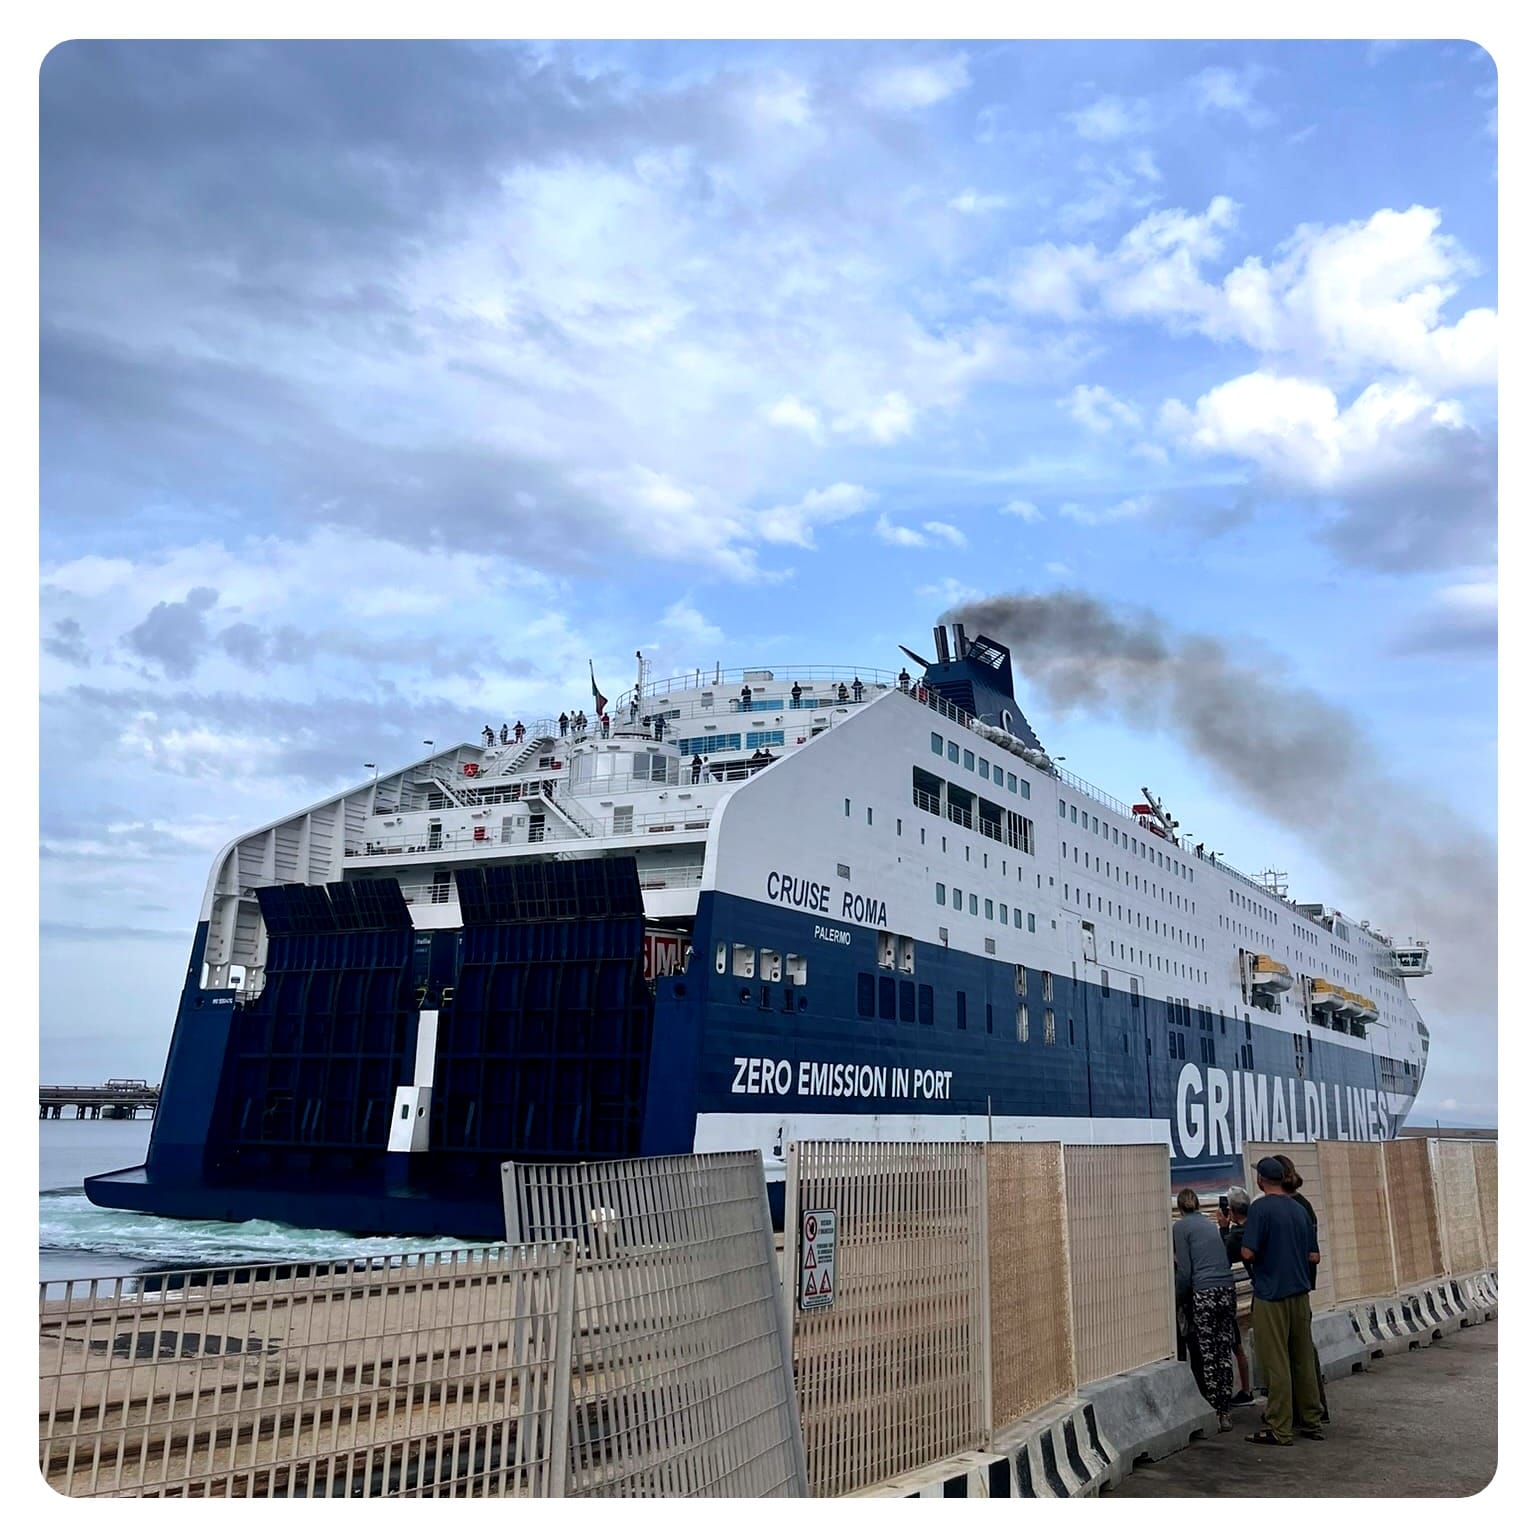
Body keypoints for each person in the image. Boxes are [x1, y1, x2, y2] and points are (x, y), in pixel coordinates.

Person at [1240, 1156, 1324, 1447]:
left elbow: (1248, 1253)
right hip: (1300, 1294)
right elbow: (1314, 1256)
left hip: (1271, 1294)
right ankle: (1311, 1419)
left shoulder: (1260, 1209)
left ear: (1262, 1180)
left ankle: (1280, 1427)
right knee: (1302, 1359)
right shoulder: (1299, 1209)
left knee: (1276, 1362)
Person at [1172, 1190, 1238, 1431]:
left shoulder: (1180, 1228)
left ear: (1180, 1207)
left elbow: (1186, 1272)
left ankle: (1213, 1410)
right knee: (1223, 1349)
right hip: (1227, 1289)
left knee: (1206, 1352)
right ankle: (1226, 1408)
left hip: (1205, 1292)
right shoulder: (1209, 1224)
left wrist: (1178, 1298)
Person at [1275, 1154, 1331, 1424]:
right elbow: (1314, 1253)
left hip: (1288, 1286)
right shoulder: (1305, 1206)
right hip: (1303, 1284)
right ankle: (1314, 1409)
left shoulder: (1292, 1207)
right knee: (1303, 1349)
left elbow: (1311, 1253)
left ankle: (1301, 1412)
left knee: (1293, 1351)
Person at [1216, 1188, 1256, 1405]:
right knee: (1238, 1342)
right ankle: (1248, 1389)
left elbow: (1225, 1258)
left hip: (1261, 1289)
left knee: (1234, 1341)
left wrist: (1224, 1229)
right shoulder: (1256, 1225)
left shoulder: (1236, 1236)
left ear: (1230, 1210)